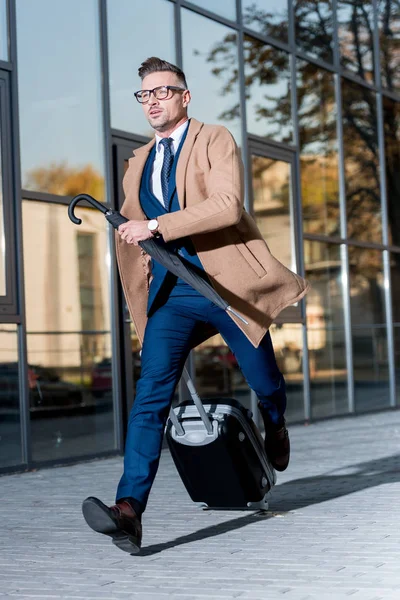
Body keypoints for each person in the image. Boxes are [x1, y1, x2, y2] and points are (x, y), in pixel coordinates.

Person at [82, 57, 309, 554]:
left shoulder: (214, 139)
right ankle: (129, 510)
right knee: (150, 397)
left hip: (225, 286)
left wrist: (157, 226)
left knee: (264, 377)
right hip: (173, 294)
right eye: (145, 94)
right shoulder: (137, 162)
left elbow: (227, 205)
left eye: (163, 91)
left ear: (185, 97)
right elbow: (135, 229)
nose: (153, 101)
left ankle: (275, 421)